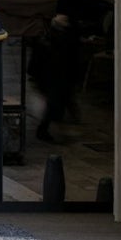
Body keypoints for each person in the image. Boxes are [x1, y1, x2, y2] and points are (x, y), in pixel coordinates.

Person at [33, 12, 82, 143]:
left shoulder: (50, 38)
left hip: (57, 77)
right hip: (57, 77)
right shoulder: (59, 39)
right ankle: (47, 129)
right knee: (57, 104)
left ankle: (54, 128)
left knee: (59, 103)